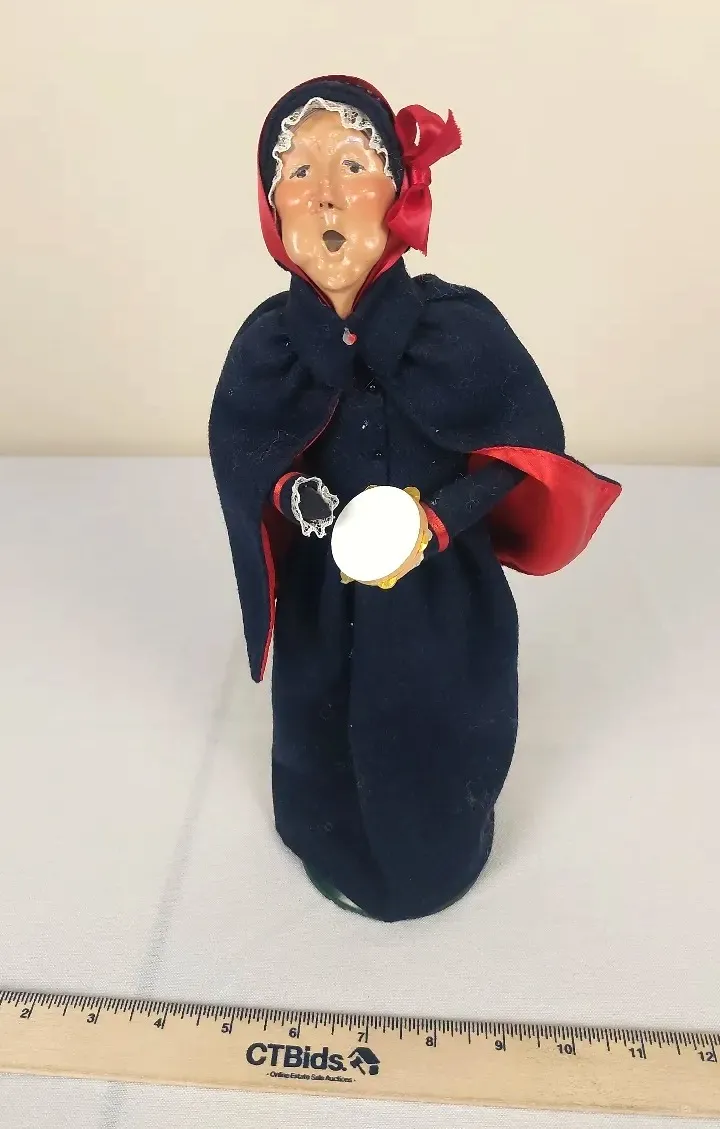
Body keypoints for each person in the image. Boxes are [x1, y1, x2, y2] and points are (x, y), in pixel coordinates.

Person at [209, 75, 621, 922]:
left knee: (437, 727)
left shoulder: (460, 329)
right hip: (330, 598)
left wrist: (436, 524)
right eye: (298, 172)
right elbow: (246, 450)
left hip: (441, 600)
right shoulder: (267, 347)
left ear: (398, 193)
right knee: (323, 721)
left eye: (352, 165)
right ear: (271, 208)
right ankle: (329, 840)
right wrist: (295, 495)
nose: (325, 194)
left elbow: (520, 453)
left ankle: (437, 851)